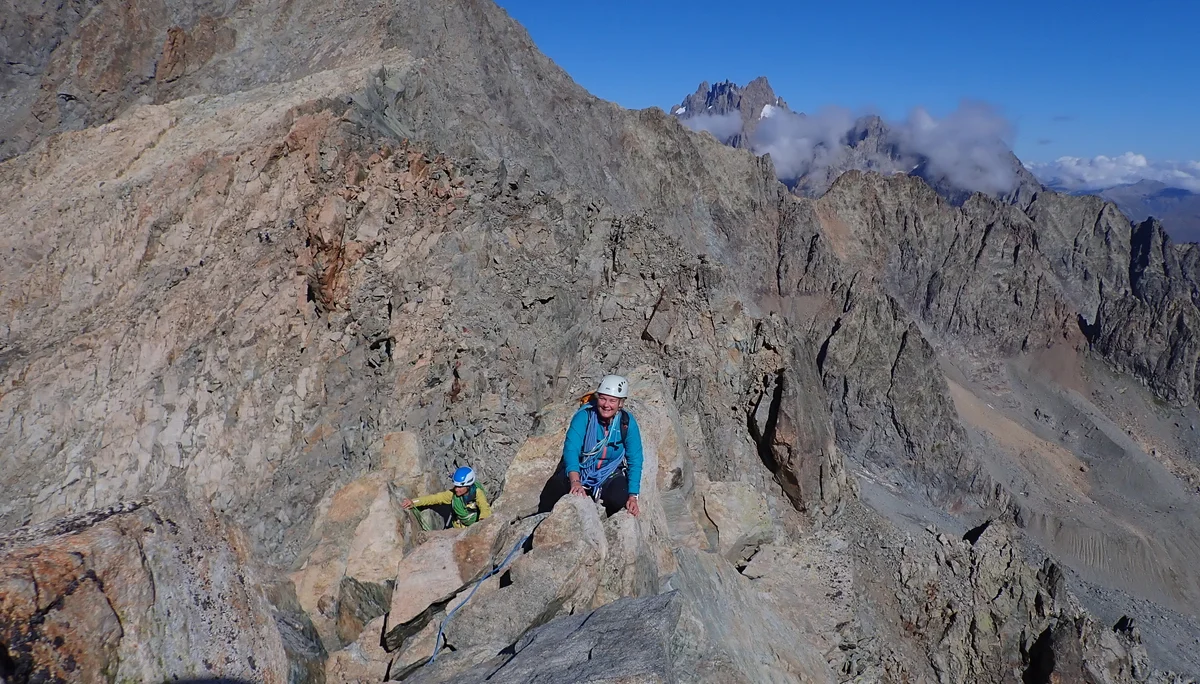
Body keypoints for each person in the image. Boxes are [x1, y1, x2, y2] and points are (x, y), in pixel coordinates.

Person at [561, 374, 644, 517]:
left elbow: (635, 459)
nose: (606, 405)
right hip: (582, 471)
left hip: (610, 472)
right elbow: (571, 448)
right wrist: (575, 481)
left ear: (621, 403)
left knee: (618, 499)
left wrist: (633, 496)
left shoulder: (626, 423)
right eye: (603, 398)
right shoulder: (584, 416)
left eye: (612, 400)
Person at [402, 466, 492, 528]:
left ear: (468, 486)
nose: (456, 489)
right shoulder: (453, 495)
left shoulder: (477, 493)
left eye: (460, 487)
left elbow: (484, 507)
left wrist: (483, 521)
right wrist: (413, 502)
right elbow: (435, 498)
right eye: (456, 486)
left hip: (473, 527)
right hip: (458, 528)